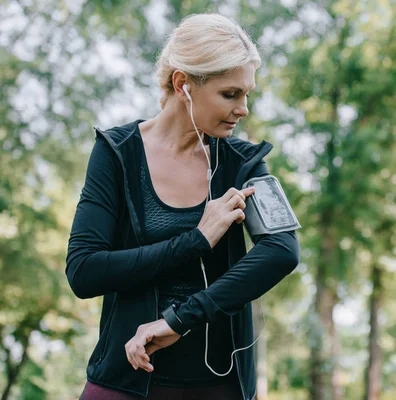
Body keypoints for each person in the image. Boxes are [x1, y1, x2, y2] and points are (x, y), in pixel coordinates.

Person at [66, 13, 300, 400]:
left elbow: (282, 251)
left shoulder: (243, 162)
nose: (244, 109)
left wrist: (179, 320)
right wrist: (195, 240)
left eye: (247, 94)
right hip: (124, 382)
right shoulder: (116, 154)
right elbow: (84, 271)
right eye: (230, 94)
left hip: (220, 386)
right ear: (183, 84)